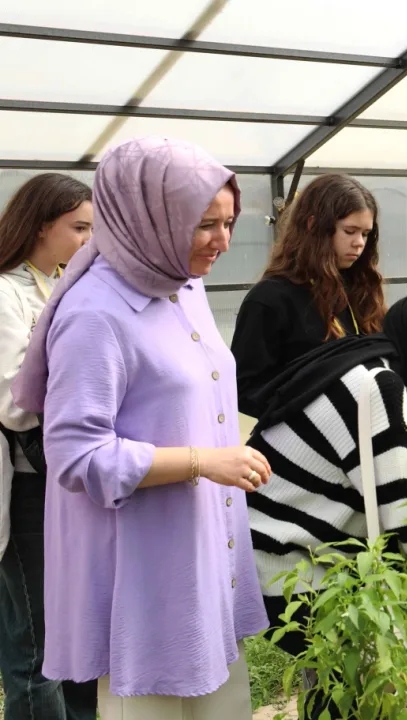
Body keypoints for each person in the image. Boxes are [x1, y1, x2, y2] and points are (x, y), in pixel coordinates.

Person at [11, 137, 272, 718]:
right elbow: (76, 456)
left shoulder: (183, 284)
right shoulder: (94, 313)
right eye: (205, 224)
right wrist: (204, 461)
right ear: (149, 216)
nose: (224, 242)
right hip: (144, 574)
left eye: (230, 223)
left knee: (223, 707)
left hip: (201, 551)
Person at [247, 293, 407, 720]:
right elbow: (405, 521)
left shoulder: (365, 365)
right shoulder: (381, 387)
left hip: (275, 558)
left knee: (337, 686)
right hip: (289, 569)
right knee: (354, 690)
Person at [0, 174, 96, 719]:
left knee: (77, 635)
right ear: (40, 225)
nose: (89, 241)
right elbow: (13, 403)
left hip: (68, 480)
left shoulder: (67, 286)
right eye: (79, 228)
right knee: (36, 647)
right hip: (27, 489)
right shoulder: (6, 292)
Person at [232, 174, 385, 418]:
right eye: (350, 231)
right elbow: (244, 389)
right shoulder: (270, 299)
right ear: (313, 225)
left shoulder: (361, 290)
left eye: (366, 234)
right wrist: (309, 410)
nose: (359, 243)